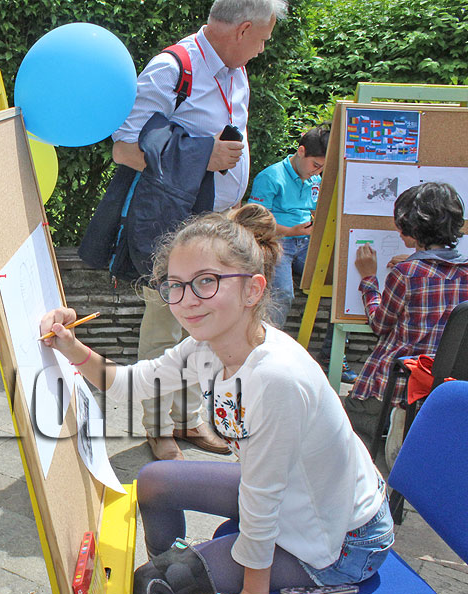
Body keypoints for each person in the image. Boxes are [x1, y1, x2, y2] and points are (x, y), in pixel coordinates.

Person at [40, 209, 391, 594]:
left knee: (150, 586)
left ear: (253, 290)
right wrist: (69, 346)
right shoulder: (207, 346)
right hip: (302, 497)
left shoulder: (276, 379)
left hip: (341, 539)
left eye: (206, 281)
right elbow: (132, 383)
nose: (187, 300)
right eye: (175, 285)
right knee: (155, 480)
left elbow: (263, 499)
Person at [110, 0, 286, 460]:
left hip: (217, 223)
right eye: (262, 39)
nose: (262, 49)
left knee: (206, 328)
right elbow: (124, 149)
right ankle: (158, 428)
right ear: (243, 29)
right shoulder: (172, 69)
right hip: (172, 228)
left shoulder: (235, 72)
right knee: (163, 328)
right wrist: (201, 159)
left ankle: (187, 420)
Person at [344, 182, 468, 451]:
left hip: (394, 384)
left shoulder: (407, 273)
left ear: (414, 228)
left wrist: (369, 279)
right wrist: (415, 258)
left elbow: (380, 324)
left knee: (353, 423)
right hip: (442, 388)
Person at [247, 124, 357, 381]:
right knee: (283, 293)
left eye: (322, 168)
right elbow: (255, 221)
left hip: (307, 242)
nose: (317, 172)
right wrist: (291, 230)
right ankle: (264, 353)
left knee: (344, 285)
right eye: (315, 165)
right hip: (278, 241)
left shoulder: (315, 180)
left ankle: (332, 354)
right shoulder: (270, 177)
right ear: (301, 151)